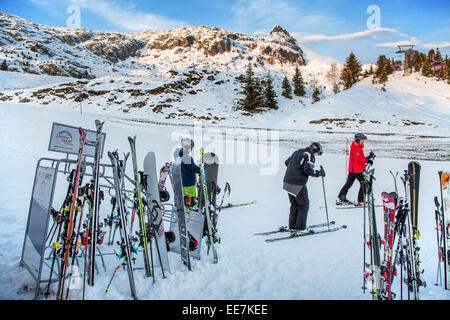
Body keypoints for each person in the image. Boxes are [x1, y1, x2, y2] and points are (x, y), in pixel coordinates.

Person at [283, 142, 326, 233]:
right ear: (315, 150)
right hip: (297, 183)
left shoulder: (298, 151)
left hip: (287, 181)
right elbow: (308, 170)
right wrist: (319, 173)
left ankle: (293, 226)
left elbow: (287, 163)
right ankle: (300, 228)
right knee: (304, 205)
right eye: (318, 153)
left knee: (295, 204)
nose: (317, 155)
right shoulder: (309, 155)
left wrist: (295, 169)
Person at [337, 133, 374, 206]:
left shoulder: (356, 146)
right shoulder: (356, 147)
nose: (363, 141)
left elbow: (358, 158)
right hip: (357, 170)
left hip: (353, 169)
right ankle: (361, 201)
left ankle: (341, 197)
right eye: (362, 139)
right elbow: (358, 159)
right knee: (364, 183)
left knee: (348, 184)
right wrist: (368, 158)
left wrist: (367, 160)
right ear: (358, 139)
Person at [175, 138, 200, 209]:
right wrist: (201, 170)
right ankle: (188, 214)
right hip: (189, 183)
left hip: (183, 182)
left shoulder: (181, 155)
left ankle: (186, 212)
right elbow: (193, 168)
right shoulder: (186, 157)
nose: (191, 150)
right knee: (190, 200)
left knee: (186, 199)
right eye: (191, 148)